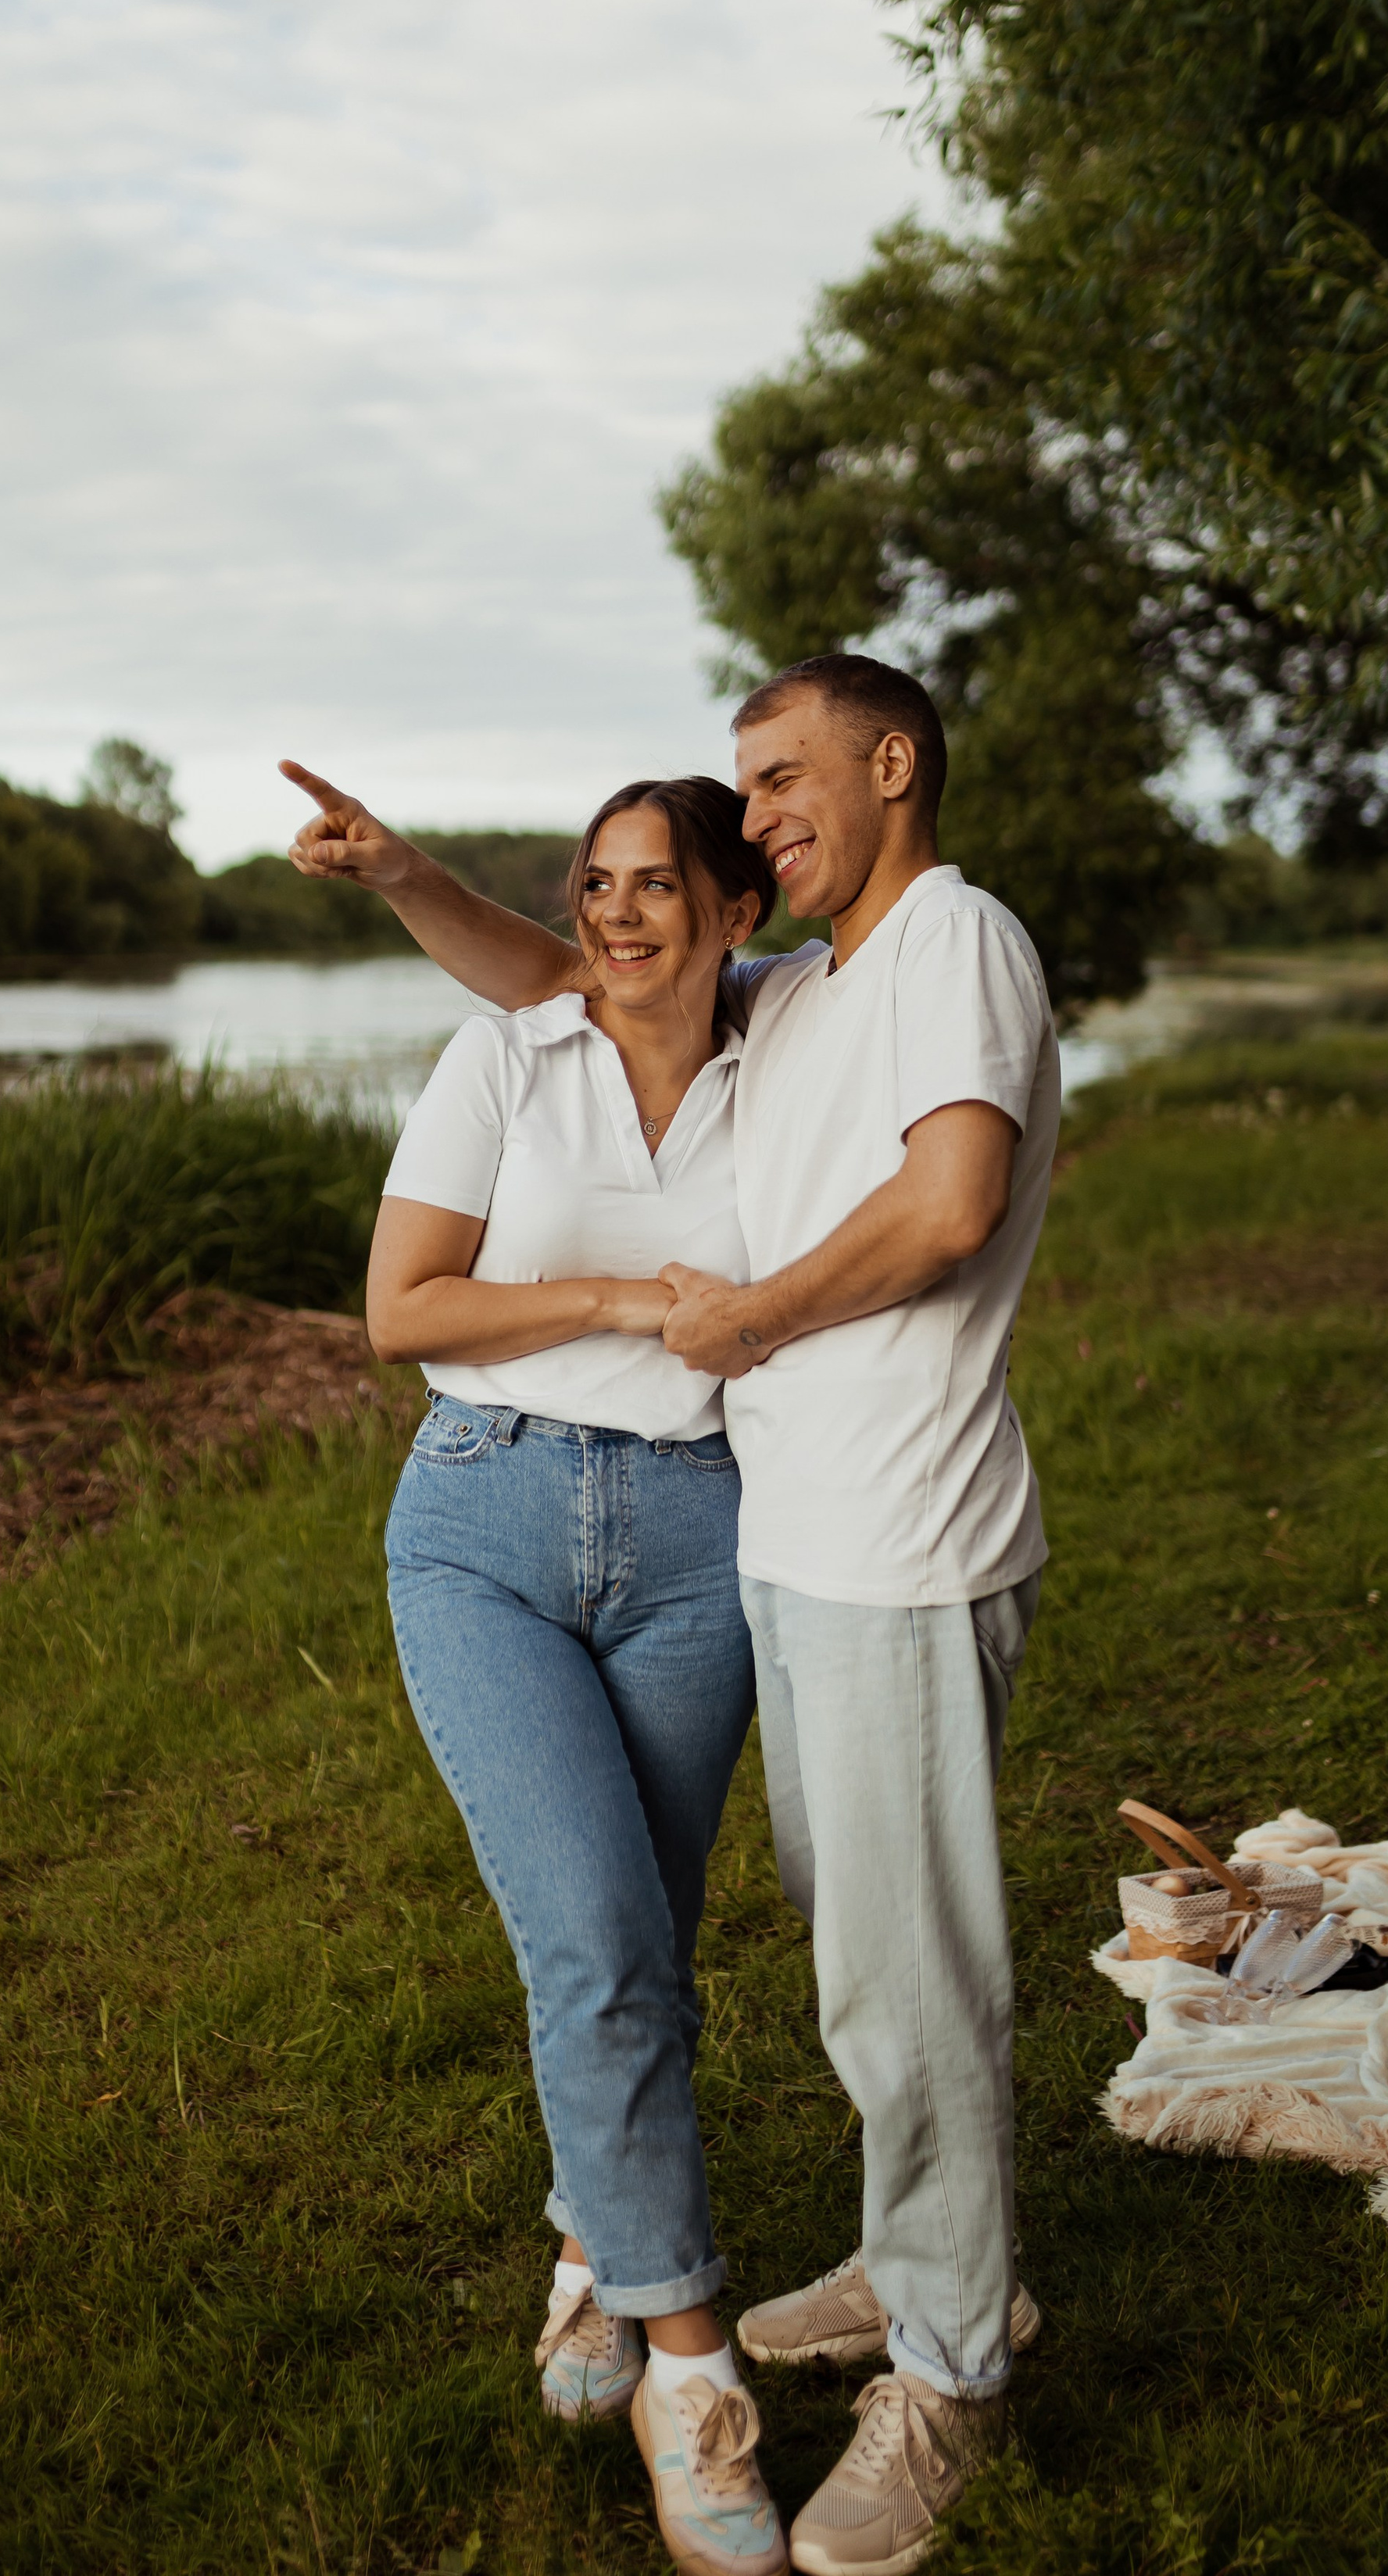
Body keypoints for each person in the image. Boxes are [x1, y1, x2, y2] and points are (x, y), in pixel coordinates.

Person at [284, 652, 1057, 2576]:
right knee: (720, 1949)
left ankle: (881, 2336)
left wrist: (743, 1317)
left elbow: (951, 1197)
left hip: (809, 1537)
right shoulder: (655, 1023)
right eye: (593, 881)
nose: (760, 817)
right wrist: (401, 879)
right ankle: (787, 2310)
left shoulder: (876, 969)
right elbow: (529, 1046)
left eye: (773, 792)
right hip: (640, 1528)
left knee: (785, 1958)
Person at [366, 773, 791, 2576]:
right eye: (594, 888)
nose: (619, 918)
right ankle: (688, 2378)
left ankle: (584, 2245)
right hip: (484, 1527)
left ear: (733, 912)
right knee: (599, 1948)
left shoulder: (796, 1055)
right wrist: (624, 1301)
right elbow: (404, 1309)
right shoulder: (507, 1055)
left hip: (705, 1541)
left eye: (656, 885)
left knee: (643, 1945)